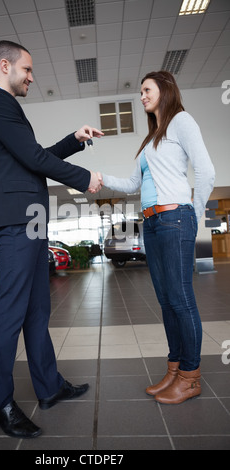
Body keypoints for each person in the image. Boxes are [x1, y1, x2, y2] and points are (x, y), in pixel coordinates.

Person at [0, 40, 103, 438]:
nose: (31, 77)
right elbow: (33, 158)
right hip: (15, 222)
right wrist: (84, 179)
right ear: (5, 65)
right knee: (10, 313)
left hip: (28, 221)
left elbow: (33, 155)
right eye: (27, 70)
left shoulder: (5, 108)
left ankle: (48, 387)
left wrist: (74, 140)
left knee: (36, 310)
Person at [101, 70, 215, 405]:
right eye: (140, 92)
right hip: (151, 222)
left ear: (164, 90)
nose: (141, 96)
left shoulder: (182, 121)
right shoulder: (151, 140)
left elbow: (206, 171)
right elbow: (133, 185)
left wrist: (193, 212)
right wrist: (99, 177)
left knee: (181, 299)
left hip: (174, 217)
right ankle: (175, 368)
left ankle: (191, 377)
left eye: (146, 90)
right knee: (166, 301)